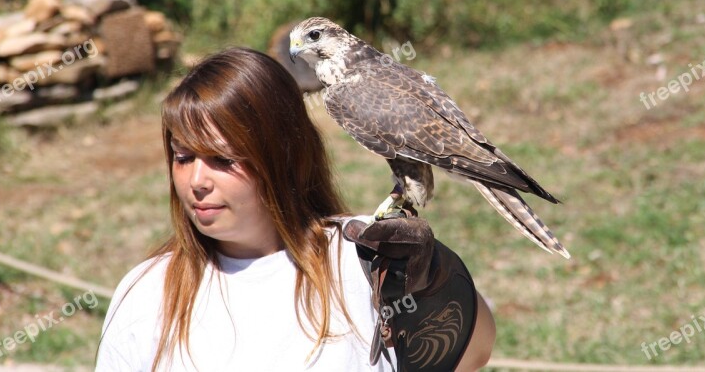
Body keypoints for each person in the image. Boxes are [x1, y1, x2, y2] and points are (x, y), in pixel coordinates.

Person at [95, 47, 495, 371]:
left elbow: (475, 352)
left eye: (222, 160)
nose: (196, 180)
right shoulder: (147, 291)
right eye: (183, 158)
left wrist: (434, 283)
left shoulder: (366, 253)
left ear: (284, 156)